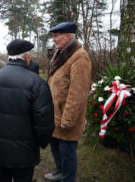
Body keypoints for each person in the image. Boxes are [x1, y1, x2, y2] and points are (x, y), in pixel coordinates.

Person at [0, 39, 55, 182]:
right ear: (27, 57)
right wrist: (40, 143)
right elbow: (44, 121)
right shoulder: (37, 83)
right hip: (25, 153)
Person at [44, 22, 91, 182]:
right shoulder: (61, 53)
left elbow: (78, 92)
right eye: (54, 37)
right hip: (55, 113)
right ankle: (60, 172)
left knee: (67, 151)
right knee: (55, 146)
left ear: (68, 36)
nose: (54, 40)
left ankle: (68, 178)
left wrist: (69, 119)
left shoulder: (80, 56)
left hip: (66, 115)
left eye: (57, 36)